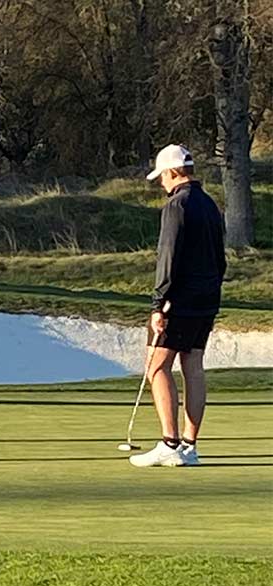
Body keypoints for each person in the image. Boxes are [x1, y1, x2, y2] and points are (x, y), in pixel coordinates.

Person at [130, 144, 226, 468]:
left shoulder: (177, 205)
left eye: (162, 176)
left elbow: (167, 258)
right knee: (193, 365)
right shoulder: (210, 205)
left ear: (173, 172)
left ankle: (169, 443)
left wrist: (158, 304)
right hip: (207, 298)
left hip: (178, 299)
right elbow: (221, 258)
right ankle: (189, 446)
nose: (161, 183)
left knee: (156, 366)